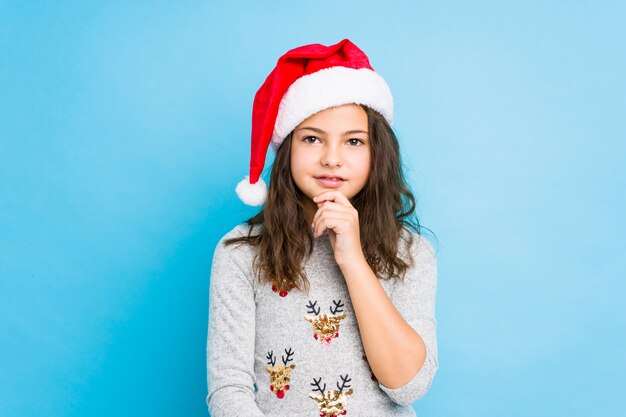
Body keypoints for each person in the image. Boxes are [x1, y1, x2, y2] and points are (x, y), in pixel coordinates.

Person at [206, 38, 439, 417]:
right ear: (289, 149)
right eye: (312, 138)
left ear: (376, 152)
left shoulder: (410, 252)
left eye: (353, 141)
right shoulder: (240, 253)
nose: (332, 159)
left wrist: (353, 260)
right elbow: (228, 391)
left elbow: (408, 385)